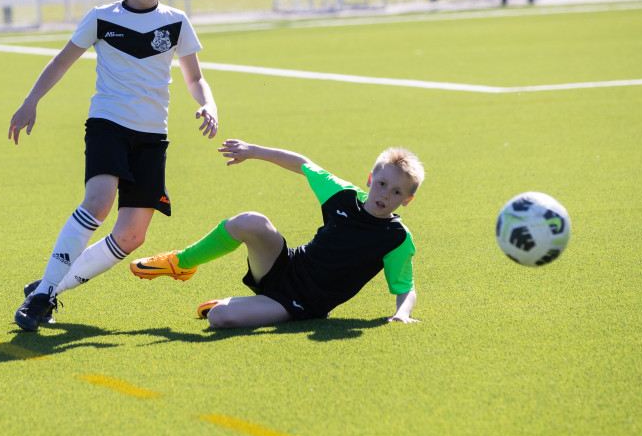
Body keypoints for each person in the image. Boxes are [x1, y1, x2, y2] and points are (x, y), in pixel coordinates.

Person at [9, 0, 219, 331]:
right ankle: (40, 300)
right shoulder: (103, 17)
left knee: (132, 236)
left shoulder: (175, 22)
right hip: (108, 124)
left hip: (152, 137)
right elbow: (62, 61)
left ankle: (48, 288)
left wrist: (207, 103)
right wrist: (31, 100)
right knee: (99, 201)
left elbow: (195, 77)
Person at [129, 139, 425, 329]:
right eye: (383, 184)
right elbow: (303, 164)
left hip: (302, 304)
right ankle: (182, 262)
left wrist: (402, 314)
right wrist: (253, 151)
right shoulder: (343, 195)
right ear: (371, 178)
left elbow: (405, 287)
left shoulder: (396, 237)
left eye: (397, 192)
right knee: (252, 222)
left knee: (220, 318)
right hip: (285, 266)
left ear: (407, 200)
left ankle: (233, 305)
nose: (385, 194)